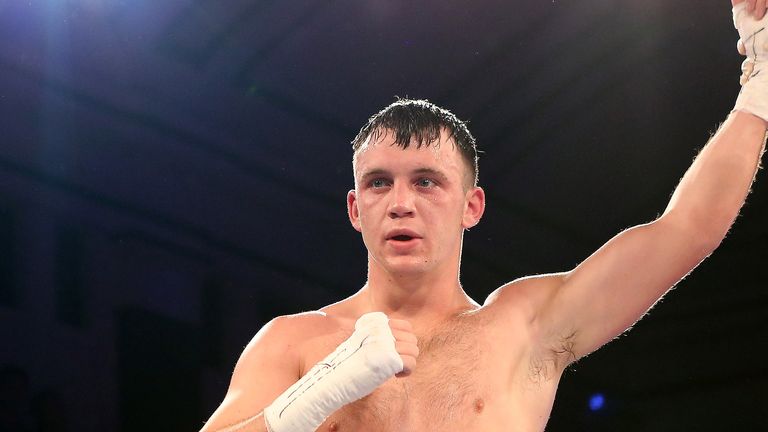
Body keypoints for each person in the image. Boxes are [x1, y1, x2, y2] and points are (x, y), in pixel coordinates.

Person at [200, 1, 768, 430]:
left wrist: (761, 81)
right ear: (355, 208)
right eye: (379, 184)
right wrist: (321, 391)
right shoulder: (293, 343)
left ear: (472, 206)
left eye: (427, 182)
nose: (401, 203)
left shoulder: (523, 330)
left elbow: (685, 230)